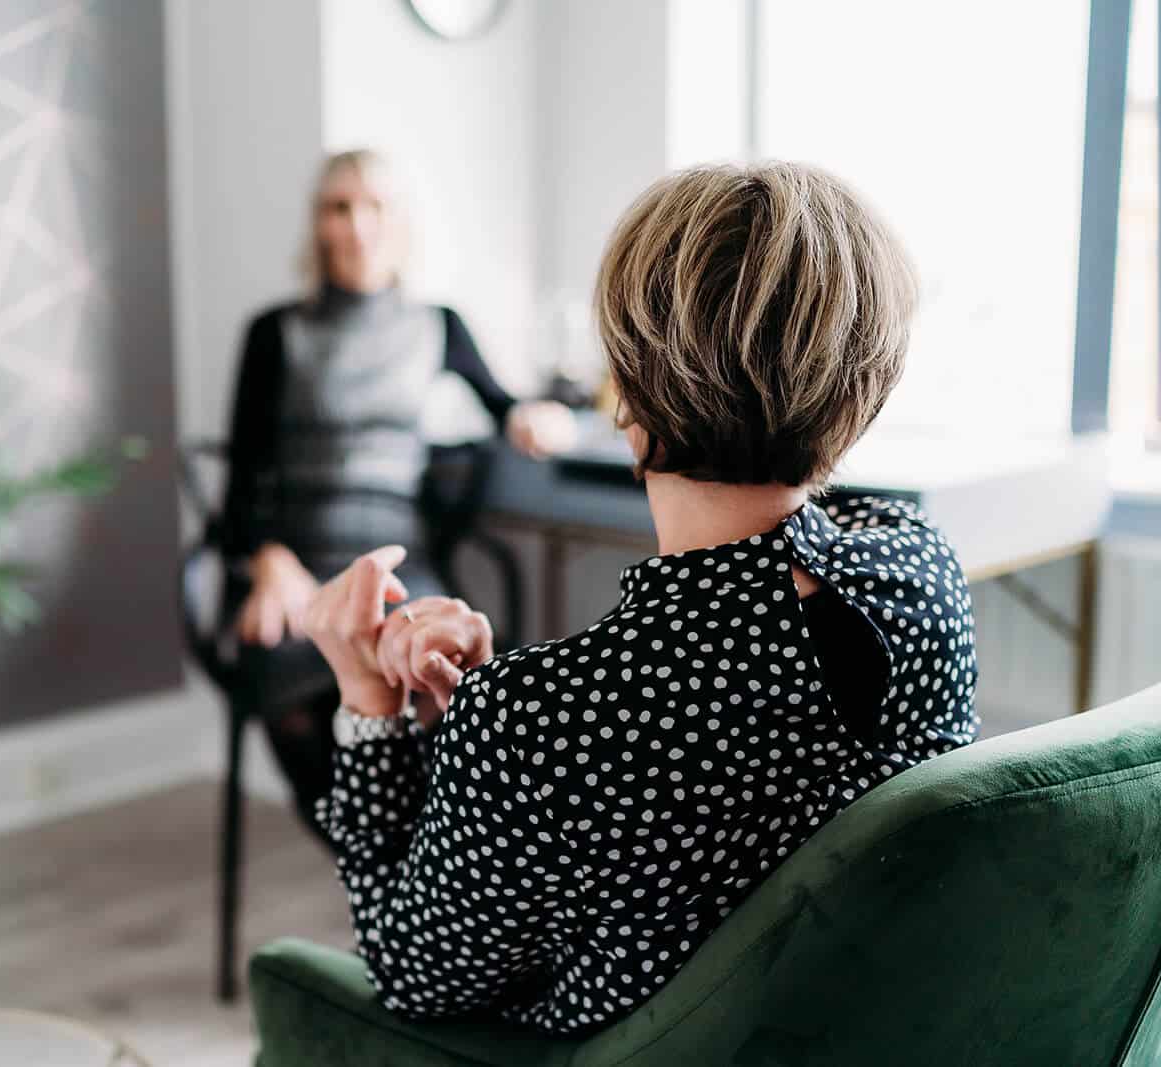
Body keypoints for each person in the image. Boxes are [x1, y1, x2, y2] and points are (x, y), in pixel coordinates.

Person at [300, 162, 980, 1035]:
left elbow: (411, 978)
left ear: (631, 394)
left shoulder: (542, 717)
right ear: (863, 384)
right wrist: (463, 736)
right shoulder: (922, 574)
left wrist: (369, 711)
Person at [221, 148, 576, 839]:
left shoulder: (438, 325)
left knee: (441, 686)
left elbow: (507, 405)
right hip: (301, 565)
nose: (356, 225)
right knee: (288, 689)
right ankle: (368, 862)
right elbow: (242, 479)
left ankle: (421, 873)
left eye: (374, 206)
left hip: (400, 570)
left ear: (400, 223)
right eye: (338, 206)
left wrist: (538, 416)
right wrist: (268, 561)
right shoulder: (274, 332)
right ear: (318, 224)